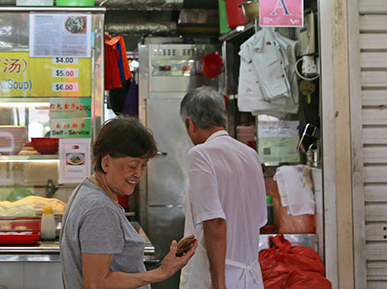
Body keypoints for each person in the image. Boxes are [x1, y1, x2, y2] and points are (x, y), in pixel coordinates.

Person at [60, 116, 197, 289]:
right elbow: (96, 283)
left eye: (144, 165)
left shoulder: (85, 190)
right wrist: (161, 273)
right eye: (133, 166)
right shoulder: (100, 209)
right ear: (106, 162)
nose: (139, 174)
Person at [179, 87, 266, 289]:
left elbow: (215, 220)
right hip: (251, 276)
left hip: (218, 276)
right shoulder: (250, 154)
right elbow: (261, 218)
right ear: (224, 119)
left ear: (190, 124)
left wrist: (219, 283)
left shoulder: (200, 154)